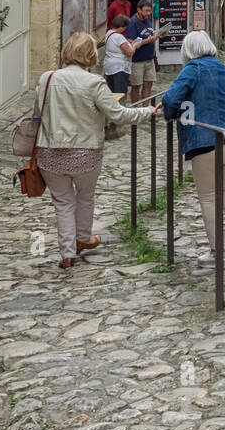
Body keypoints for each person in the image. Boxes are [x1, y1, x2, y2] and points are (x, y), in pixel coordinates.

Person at [36, 32, 157, 268]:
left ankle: (67, 253)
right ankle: (83, 238)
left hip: (50, 151)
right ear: (91, 55)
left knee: (62, 202)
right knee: (84, 196)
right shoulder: (94, 83)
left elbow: (37, 113)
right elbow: (119, 114)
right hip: (85, 152)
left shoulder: (47, 79)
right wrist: (148, 111)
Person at [162, 31, 225, 265]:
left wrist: (170, 113)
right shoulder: (221, 67)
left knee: (209, 196)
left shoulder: (193, 68)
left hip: (206, 139)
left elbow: (171, 98)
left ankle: (217, 250)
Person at [125, 0, 160, 103]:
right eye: (146, 11)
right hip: (137, 60)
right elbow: (131, 41)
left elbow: (149, 34)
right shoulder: (132, 23)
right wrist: (149, 40)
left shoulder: (147, 20)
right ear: (139, 10)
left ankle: (146, 110)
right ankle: (135, 108)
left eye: (150, 11)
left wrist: (158, 35)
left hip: (150, 59)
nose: (148, 13)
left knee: (148, 85)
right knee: (136, 86)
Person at [101, 13, 134, 96]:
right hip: (119, 68)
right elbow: (129, 53)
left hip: (110, 67)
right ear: (122, 27)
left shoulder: (109, 33)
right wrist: (135, 46)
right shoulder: (119, 37)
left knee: (113, 92)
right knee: (120, 93)